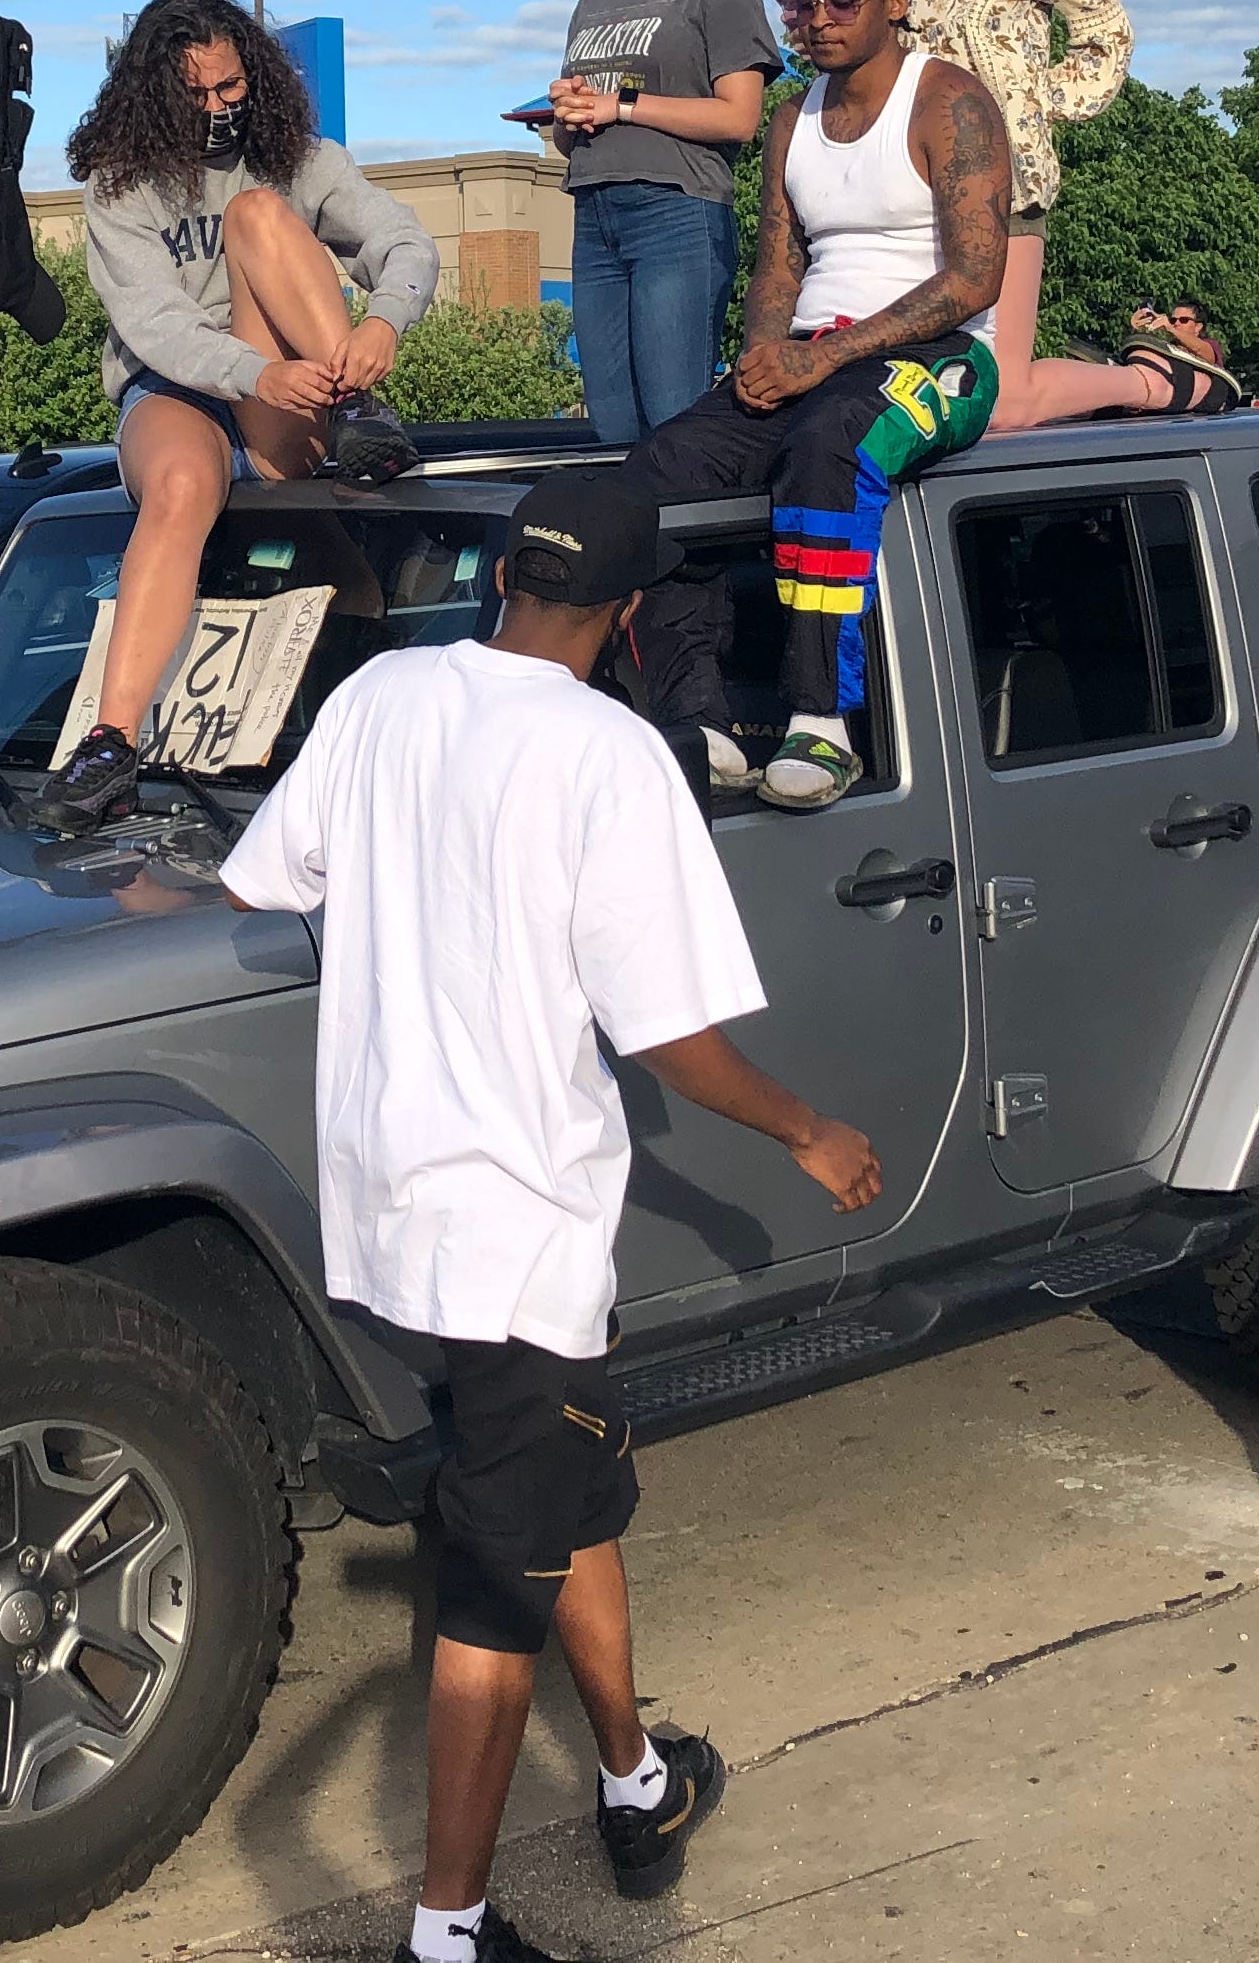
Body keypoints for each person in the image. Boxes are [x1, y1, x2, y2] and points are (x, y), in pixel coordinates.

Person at [221, 473, 881, 1963]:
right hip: (512, 1227)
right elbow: (670, 1035)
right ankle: (447, 1934)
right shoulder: (612, 755)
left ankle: (637, 1782)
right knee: (493, 1592)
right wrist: (808, 1131)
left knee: (570, 1492)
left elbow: (273, 875)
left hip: (391, 1212)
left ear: (507, 571)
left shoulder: (383, 693)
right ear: (635, 614)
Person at [613, 0, 1026, 809]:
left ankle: (822, 723)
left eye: (842, 1)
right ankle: (701, 721)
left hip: (940, 360)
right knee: (660, 469)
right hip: (812, 354)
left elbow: (974, 277)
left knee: (829, 445)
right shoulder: (792, 115)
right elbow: (778, 265)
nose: (818, 19)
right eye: (803, 1)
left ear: (895, 3)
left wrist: (825, 357)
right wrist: (767, 351)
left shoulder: (948, 101)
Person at [45, 0, 439, 831]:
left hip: (299, 389)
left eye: (234, 90)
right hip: (185, 384)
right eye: (199, 97)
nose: (222, 111)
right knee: (181, 485)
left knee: (257, 210)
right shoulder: (120, 189)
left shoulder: (301, 158)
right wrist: (249, 374)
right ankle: (110, 744)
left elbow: (404, 242)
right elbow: (151, 323)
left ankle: (362, 409)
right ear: (154, 95)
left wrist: (383, 320)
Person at [850, 0, 1169, 431]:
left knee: (998, 401)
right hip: (897, 193)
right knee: (908, 396)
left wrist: (1035, 103)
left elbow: (1107, 33)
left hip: (1004, 192)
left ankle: (1155, 383)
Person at [531, 0, 783, 445]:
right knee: (612, 421)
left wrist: (622, 106)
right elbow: (578, 137)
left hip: (675, 211)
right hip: (595, 212)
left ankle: (693, 539)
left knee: (675, 415)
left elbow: (738, 117)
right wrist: (573, 112)